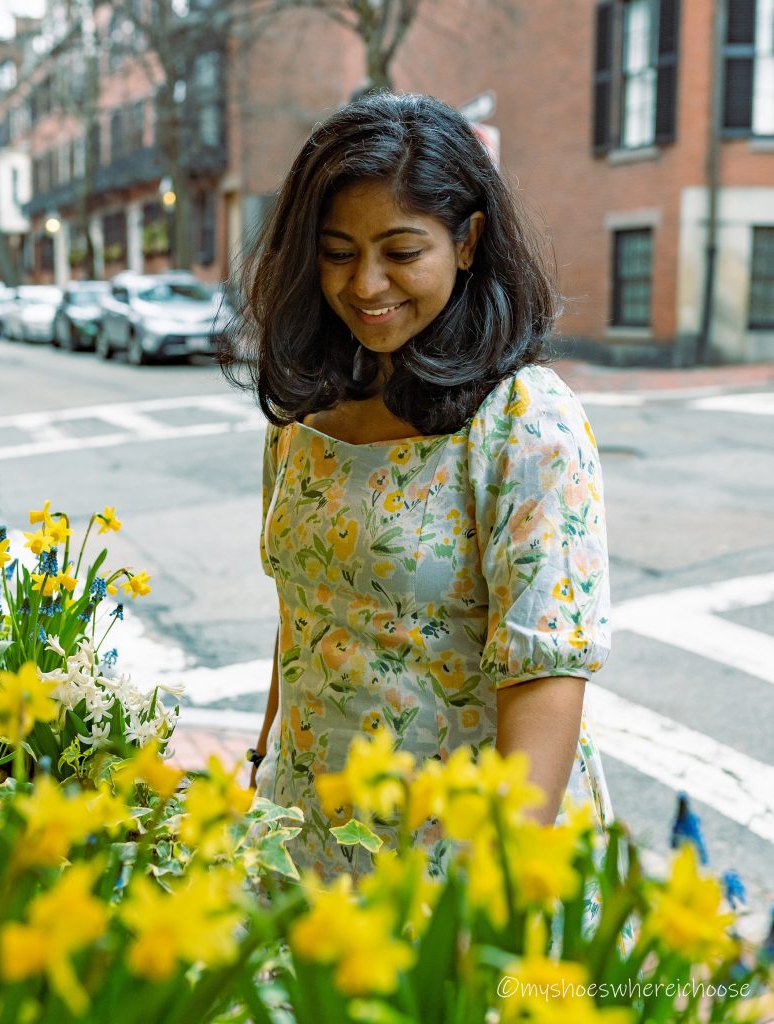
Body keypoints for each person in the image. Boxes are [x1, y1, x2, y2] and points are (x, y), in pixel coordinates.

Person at [217, 93, 613, 887]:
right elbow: (301, 622)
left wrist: (493, 896)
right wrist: (259, 768)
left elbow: (543, 678)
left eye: (401, 250)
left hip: (459, 860)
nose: (365, 284)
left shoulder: (525, 420)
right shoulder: (302, 415)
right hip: (303, 838)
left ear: (466, 242)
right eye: (336, 252)